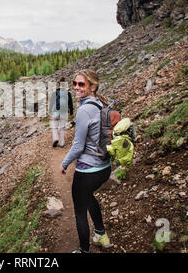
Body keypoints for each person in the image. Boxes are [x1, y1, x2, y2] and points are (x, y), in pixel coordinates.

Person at [60, 69, 112, 253]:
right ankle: (101, 235)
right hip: (105, 166)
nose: (76, 87)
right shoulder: (101, 102)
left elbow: (78, 146)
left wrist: (64, 163)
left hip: (88, 170)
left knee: (80, 211)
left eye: (81, 84)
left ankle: (83, 250)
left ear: (92, 86)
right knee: (88, 196)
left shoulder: (84, 110)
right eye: (74, 83)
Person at [49, 77, 73, 148]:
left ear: (59, 85)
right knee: (62, 128)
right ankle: (62, 143)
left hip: (56, 112)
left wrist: (50, 111)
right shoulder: (68, 93)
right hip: (64, 112)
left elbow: (51, 102)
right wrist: (71, 112)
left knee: (54, 126)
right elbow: (71, 104)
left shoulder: (55, 92)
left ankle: (56, 138)